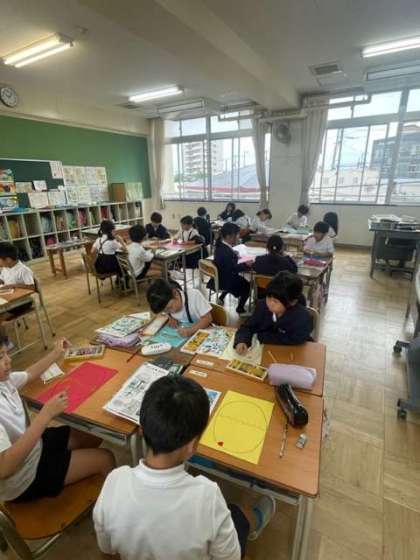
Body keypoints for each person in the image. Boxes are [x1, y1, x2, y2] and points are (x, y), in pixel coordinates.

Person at [93, 376, 275, 560]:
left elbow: (107, 551)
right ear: (191, 446)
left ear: (142, 430)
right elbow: (231, 557)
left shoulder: (114, 481)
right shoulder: (208, 496)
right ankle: (256, 518)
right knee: (236, 514)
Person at [0, 336, 115, 503]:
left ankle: (75, 475)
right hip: (22, 479)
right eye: (1, 357)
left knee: (92, 434)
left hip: (34, 447)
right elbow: (4, 468)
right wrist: (45, 415)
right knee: (105, 459)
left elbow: (29, 373)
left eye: (6, 353)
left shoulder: (4, 380)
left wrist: (56, 352)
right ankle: (112, 511)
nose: (8, 360)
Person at [234, 271, 313, 352]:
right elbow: (248, 326)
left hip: (289, 352)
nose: (270, 303)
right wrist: (242, 340)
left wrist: (263, 337)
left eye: (275, 301)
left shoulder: (302, 318)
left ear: (292, 302)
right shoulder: (262, 305)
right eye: (268, 297)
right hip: (263, 350)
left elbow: (296, 339)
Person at [147, 279, 212, 338]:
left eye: (170, 307)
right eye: (165, 311)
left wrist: (191, 330)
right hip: (185, 333)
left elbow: (207, 318)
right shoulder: (168, 305)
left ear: (175, 293)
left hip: (203, 332)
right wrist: (171, 317)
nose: (170, 312)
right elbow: (167, 311)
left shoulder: (194, 296)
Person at [212, 222, 251, 315]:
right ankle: (240, 309)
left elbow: (228, 263)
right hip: (226, 281)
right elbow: (234, 269)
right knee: (247, 285)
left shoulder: (221, 246)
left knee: (236, 278)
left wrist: (234, 254)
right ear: (229, 236)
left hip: (220, 277)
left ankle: (221, 297)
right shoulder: (227, 251)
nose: (239, 237)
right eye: (237, 235)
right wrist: (246, 264)